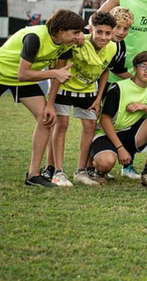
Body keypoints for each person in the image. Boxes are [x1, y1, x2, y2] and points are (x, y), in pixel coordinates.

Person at [0, 9, 85, 186]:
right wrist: (54, 73)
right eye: (75, 32)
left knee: (46, 118)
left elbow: (59, 73)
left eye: (80, 32)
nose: (79, 36)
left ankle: (33, 175)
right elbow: (23, 74)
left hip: (25, 79)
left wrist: (50, 104)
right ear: (61, 30)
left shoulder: (66, 43)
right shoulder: (34, 38)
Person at [43, 11, 119, 186]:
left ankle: (81, 171)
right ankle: (58, 172)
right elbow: (59, 68)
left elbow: (105, 71)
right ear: (90, 30)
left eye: (108, 33)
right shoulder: (76, 42)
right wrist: (51, 101)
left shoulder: (113, 48)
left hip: (88, 91)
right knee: (61, 125)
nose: (103, 37)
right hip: (64, 88)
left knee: (90, 125)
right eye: (99, 32)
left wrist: (98, 98)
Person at [90, 52, 147, 188]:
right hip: (108, 134)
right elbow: (105, 120)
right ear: (135, 69)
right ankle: (96, 168)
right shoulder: (119, 88)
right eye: (143, 66)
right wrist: (120, 148)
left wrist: (145, 108)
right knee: (105, 163)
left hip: (131, 134)